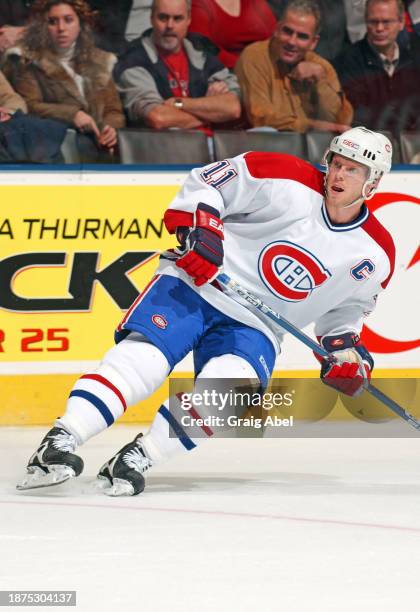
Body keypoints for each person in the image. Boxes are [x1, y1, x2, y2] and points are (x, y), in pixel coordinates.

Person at [18, 126, 395, 496]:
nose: (340, 174)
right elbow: (208, 182)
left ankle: (138, 458)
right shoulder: (284, 175)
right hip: (200, 284)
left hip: (258, 326)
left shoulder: (375, 255)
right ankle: (60, 440)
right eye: (337, 163)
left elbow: (344, 316)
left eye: (353, 169)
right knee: (142, 361)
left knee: (227, 393)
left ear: (372, 183)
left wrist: (348, 356)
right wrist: (204, 234)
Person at [4, 0, 125, 160]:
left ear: (80, 24)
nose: (61, 28)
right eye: (52, 22)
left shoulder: (100, 60)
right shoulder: (26, 59)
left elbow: (113, 110)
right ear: (42, 26)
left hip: (100, 149)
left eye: (68, 20)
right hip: (54, 149)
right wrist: (72, 114)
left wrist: (110, 129)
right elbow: (29, 106)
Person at [114, 0, 241, 130]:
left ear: (189, 20)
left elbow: (233, 108)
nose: (170, 25)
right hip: (165, 147)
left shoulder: (201, 51)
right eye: (163, 17)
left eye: (177, 18)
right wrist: (213, 113)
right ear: (151, 18)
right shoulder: (133, 60)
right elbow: (158, 118)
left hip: (212, 146)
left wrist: (178, 103)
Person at [234, 0, 353, 133]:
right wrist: (316, 126)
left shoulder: (321, 67)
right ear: (277, 29)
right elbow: (261, 118)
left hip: (313, 149)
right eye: (287, 31)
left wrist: (321, 82)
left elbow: (341, 121)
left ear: (313, 42)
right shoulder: (254, 56)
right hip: (262, 146)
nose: (292, 42)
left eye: (302, 36)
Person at [334, 0, 420, 135]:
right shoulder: (347, 62)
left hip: (409, 145)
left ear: (401, 22)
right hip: (366, 144)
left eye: (386, 22)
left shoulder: (413, 63)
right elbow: (356, 116)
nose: (379, 28)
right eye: (373, 22)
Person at [188, 0, 277, 69]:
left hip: (266, 65)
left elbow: (275, 35)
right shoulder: (199, 4)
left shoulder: (253, 2)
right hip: (228, 72)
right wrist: (247, 65)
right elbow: (203, 47)